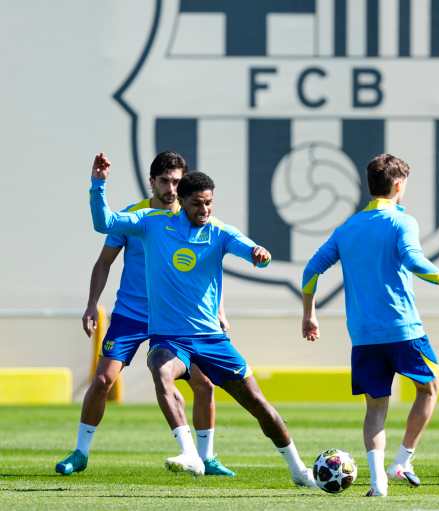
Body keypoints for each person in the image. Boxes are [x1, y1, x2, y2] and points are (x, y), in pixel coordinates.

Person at [87, 153, 315, 487]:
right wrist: (98, 184)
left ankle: (299, 469)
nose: (204, 210)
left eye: (209, 203)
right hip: (169, 338)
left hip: (211, 339)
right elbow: (104, 222)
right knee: (161, 370)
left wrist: (260, 255)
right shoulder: (152, 223)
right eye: (197, 204)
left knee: (257, 403)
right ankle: (190, 453)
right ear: (181, 201)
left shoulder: (219, 232)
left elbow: (252, 251)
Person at [301, 154, 439, 497]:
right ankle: (402, 461)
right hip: (402, 329)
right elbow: (414, 260)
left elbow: (310, 271)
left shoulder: (348, 228)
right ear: (397, 184)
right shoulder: (401, 221)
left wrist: (309, 313)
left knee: (376, 407)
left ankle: (378, 481)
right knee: (430, 387)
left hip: (363, 335)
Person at [56, 151, 233, 477]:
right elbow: (104, 262)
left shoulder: (193, 219)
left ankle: (206, 457)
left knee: (204, 383)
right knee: (102, 380)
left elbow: (207, 272)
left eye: (177, 182)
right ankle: (80, 452)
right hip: (132, 314)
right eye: (164, 181)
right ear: (152, 181)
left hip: (178, 318)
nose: (171, 188)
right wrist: (92, 303)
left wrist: (219, 311)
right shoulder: (136, 217)